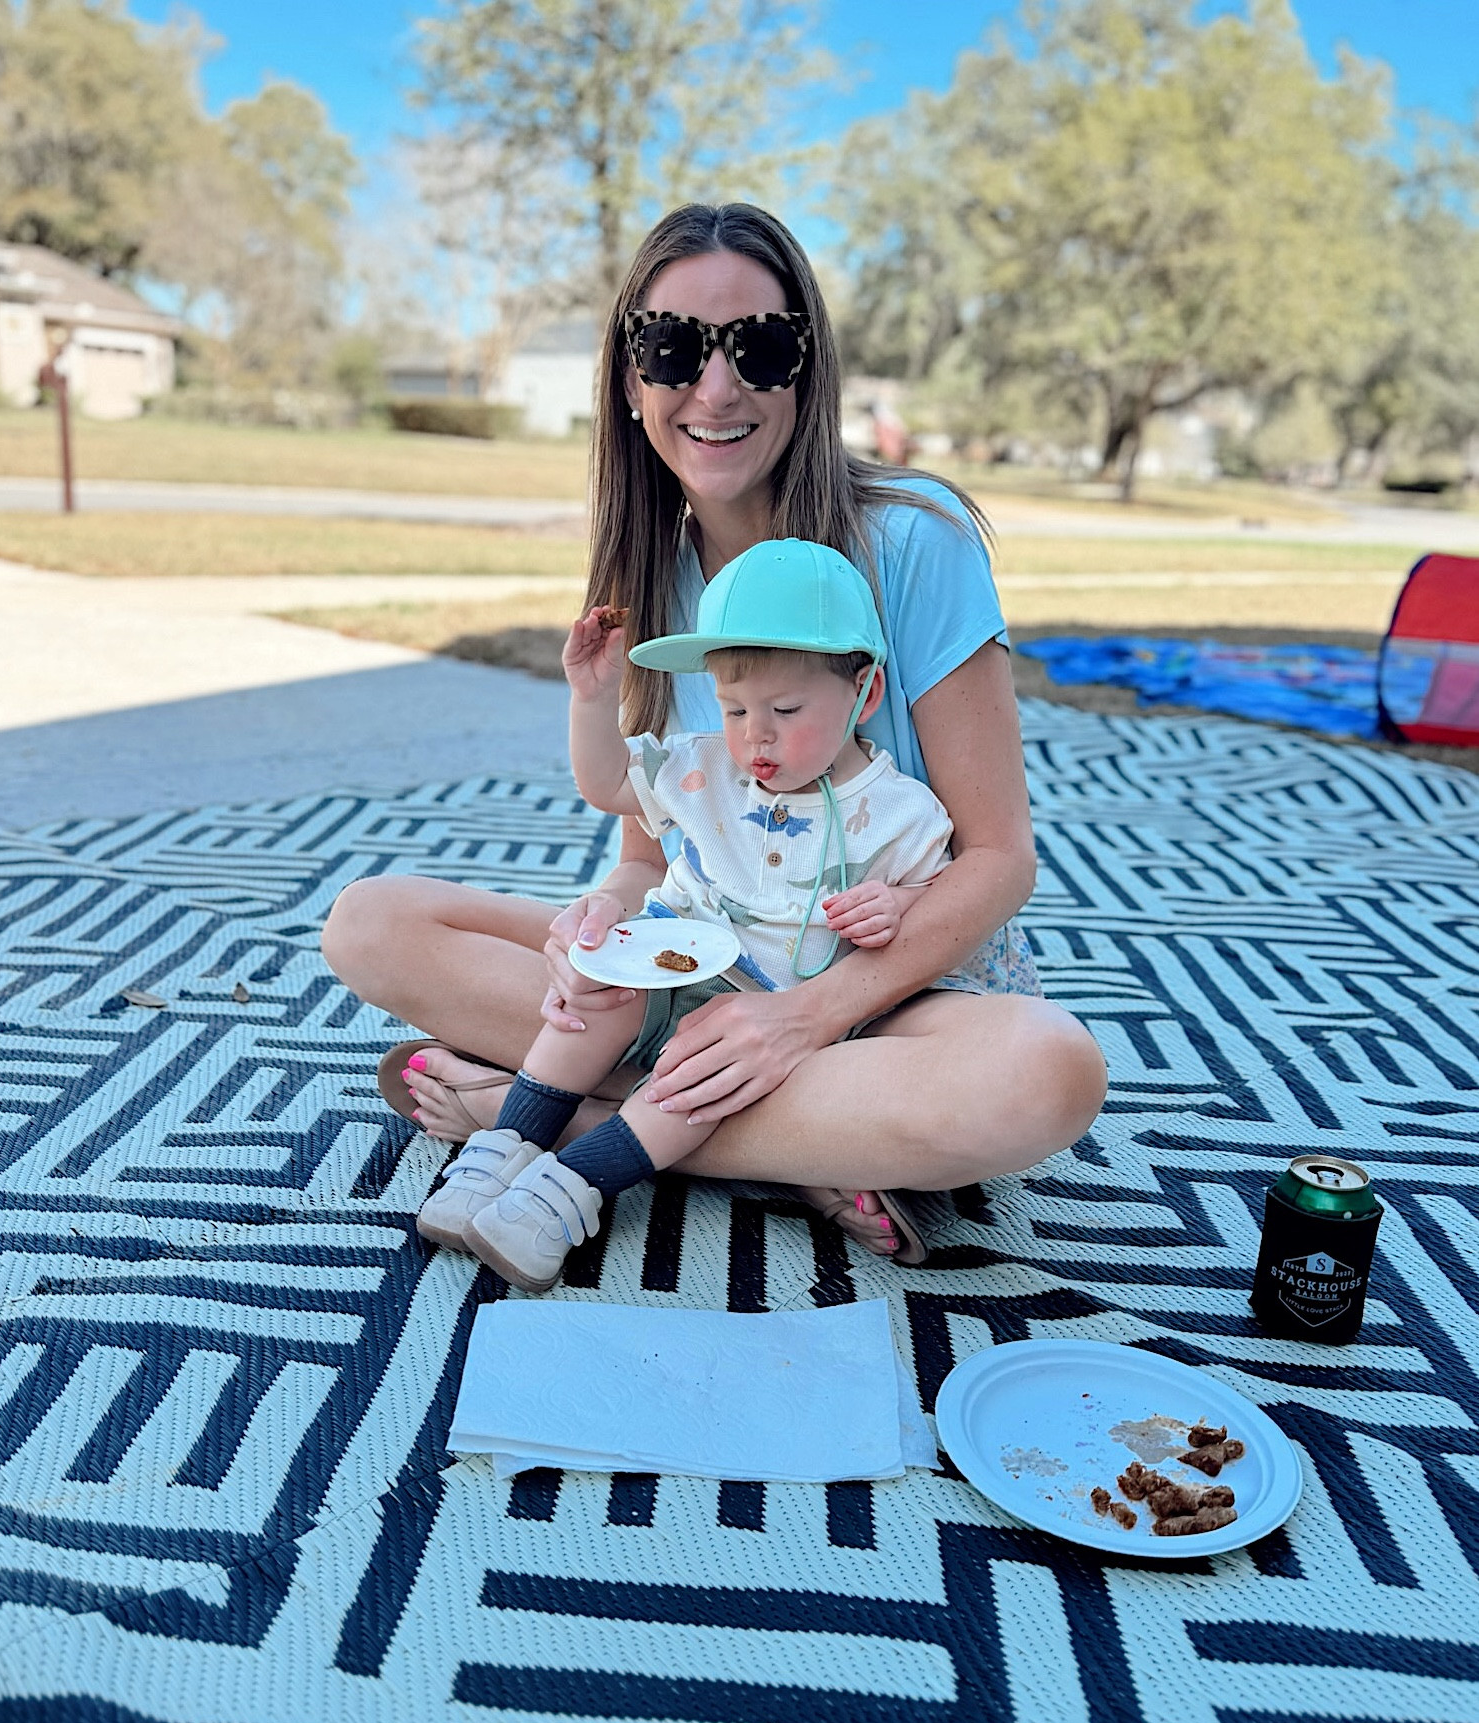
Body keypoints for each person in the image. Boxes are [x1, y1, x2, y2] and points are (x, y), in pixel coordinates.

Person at [321, 200, 1107, 1263]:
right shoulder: (647, 572)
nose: (716, 385)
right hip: (713, 968)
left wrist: (808, 1017)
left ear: (807, 366)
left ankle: (566, 1130)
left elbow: (998, 858)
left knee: (1045, 1074)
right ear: (627, 375)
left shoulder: (913, 540)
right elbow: (653, 847)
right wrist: (598, 919)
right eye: (672, 347)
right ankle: (801, 1139)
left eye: (760, 346)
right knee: (370, 923)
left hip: (903, 983)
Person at [421, 540, 960, 1290]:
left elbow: (948, 899)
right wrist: (590, 696)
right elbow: (609, 781)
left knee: (695, 1083)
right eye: (734, 708)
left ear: (864, 695)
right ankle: (500, 1151)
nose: (756, 735)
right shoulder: (708, 765)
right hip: (668, 958)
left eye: (785, 710)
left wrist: (899, 902)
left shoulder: (899, 814)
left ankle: (565, 1190)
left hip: (763, 1013)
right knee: (593, 999)